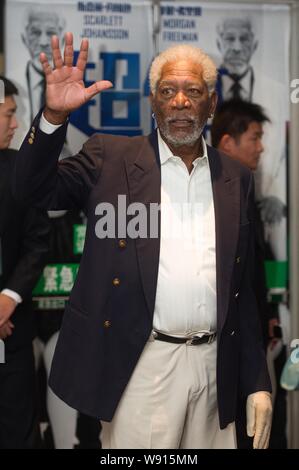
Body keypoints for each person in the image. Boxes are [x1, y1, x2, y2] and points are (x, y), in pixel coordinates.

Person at [13, 34, 272, 449]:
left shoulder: (235, 178)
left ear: (212, 102)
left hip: (214, 370)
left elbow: (241, 293)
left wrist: (257, 380)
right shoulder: (110, 158)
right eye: (168, 91)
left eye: (193, 91)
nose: (180, 101)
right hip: (140, 367)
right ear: (153, 102)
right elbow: (29, 192)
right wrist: (53, 119)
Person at [211, 99, 287, 448]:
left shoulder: (244, 189)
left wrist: (268, 315)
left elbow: (252, 267)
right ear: (228, 143)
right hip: (219, 338)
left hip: (249, 333)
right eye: (254, 138)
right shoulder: (208, 197)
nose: (261, 147)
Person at [0, 76, 50, 448]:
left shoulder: (21, 169)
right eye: (9, 115)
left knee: (18, 430)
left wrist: (7, 300)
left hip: (12, 331)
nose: (16, 124)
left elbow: (38, 242)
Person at [216, 16, 288, 261]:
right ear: (218, 42)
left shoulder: (280, 93)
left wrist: (277, 194)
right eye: (229, 38)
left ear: (255, 45)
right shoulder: (202, 93)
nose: (236, 47)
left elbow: (285, 154)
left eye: (244, 39)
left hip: (267, 209)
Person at [22, 8, 66, 122]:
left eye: (51, 33)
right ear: (24, 39)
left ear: (62, 40)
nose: (43, 42)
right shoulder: (3, 83)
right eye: (35, 33)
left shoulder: (73, 83)